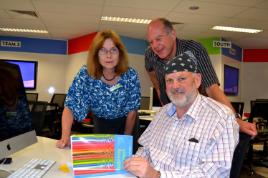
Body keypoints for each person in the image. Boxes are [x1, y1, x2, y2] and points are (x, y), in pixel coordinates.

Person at [124, 51, 239, 178]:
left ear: (197, 80)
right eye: (169, 80)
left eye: (181, 79)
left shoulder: (221, 117)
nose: (175, 86)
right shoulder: (161, 114)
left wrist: (157, 175)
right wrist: (132, 165)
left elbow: (215, 173)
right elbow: (145, 149)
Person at [145, 17, 257, 137]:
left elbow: (212, 88)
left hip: (197, 115)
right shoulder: (150, 55)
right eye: (151, 42)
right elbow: (156, 83)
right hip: (173, 114)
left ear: (173, 34)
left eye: (158, 39)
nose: (155, 46)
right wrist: (165, 110)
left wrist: (235, 120)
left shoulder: (194, 50)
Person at [56, 30, 141, 149]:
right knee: (103, 161)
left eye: (113, 50)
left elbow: (132, 111)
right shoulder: (86, 74)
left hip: (127, 124)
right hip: (101, 124)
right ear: (96, 54)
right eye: (103, 50)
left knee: (125, 162)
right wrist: (65, 137)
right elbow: (70, 106)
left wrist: (125, 140)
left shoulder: (130, 75)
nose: (109, 55)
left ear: (120, 53)